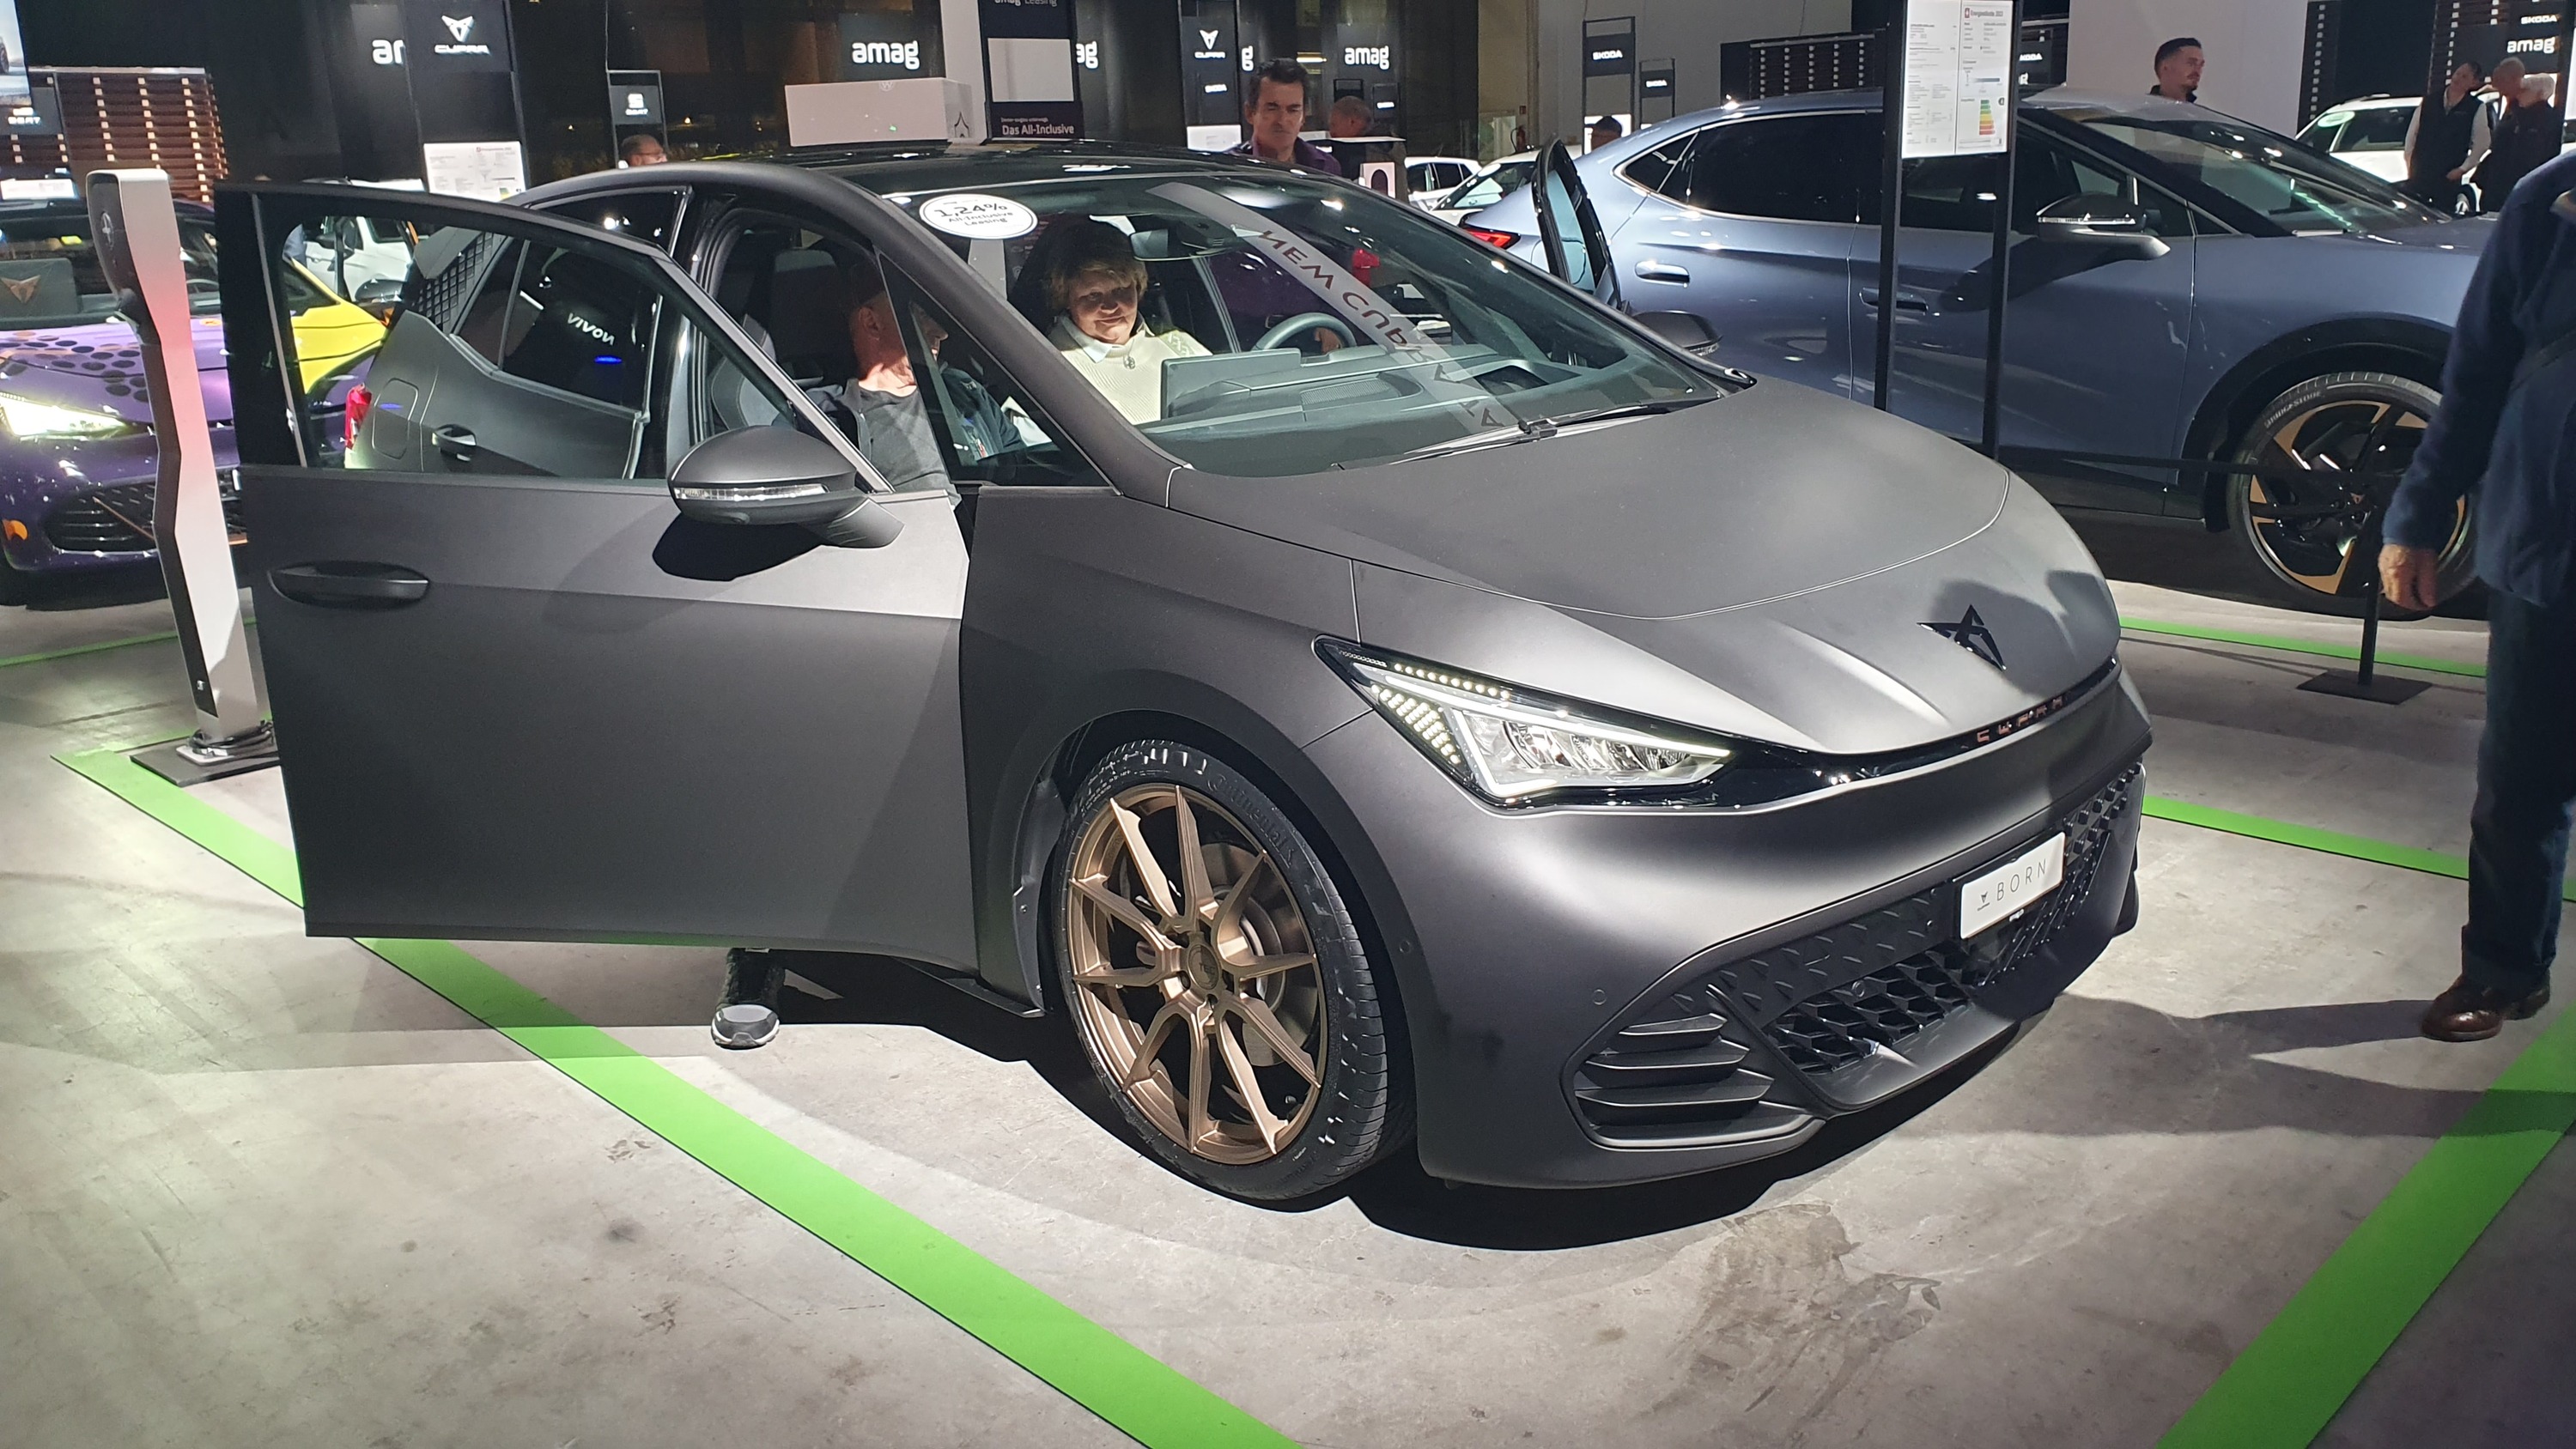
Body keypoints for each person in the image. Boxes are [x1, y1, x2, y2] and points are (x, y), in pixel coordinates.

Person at [2379, 145, 2576, 1042]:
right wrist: (2417, 516)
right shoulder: (2551, 202)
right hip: (2549, 551)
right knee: (2520, 782)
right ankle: (2505, 967)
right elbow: (2478, 372)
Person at [819, 257, 1015, 490]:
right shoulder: (828, 418)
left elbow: (1021, 468)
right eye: (921, 314)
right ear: (872, 323)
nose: (942, 333)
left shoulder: (964, 390)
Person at [1040, 220, 1211, 423]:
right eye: (1093, 295)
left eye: (1120, 290)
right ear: (1066, 298)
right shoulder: (1048, 367)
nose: (1110, 306)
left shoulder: (1176, 342)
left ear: (1138, 288)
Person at [2404, 61, 2494, 215]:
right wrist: (2410, 163)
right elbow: (2412, 135)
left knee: (2443, 217)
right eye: (2457, 73)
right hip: (2420, 175)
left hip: (2448, 178)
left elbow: (2482, 143)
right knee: (2414, 215)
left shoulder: (2475, 107)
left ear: (2474, 83)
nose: (2458, 78)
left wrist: (2462, 169)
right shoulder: (2430, 100)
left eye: (2464, 76)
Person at [1231, 59, 1343, 175]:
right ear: (1250, 113)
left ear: (1304, 116)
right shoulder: (1228, 170)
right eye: (1272, 108)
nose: (1282, 120)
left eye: (1293, 110)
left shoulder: (1326, 167)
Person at [2476, 60, 2555, 212]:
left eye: (2527, 90)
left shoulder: (2540, 119)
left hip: (2515, 189)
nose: (2521, 94)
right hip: (2497, 185)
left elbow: (2532, 157)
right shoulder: (2514, 112)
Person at [2150, 37, 2202, 103]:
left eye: (2201, 65)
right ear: (2165, 66)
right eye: (2191, 63)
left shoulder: (2198, 110)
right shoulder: (2143, 108)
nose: (2198, 70)